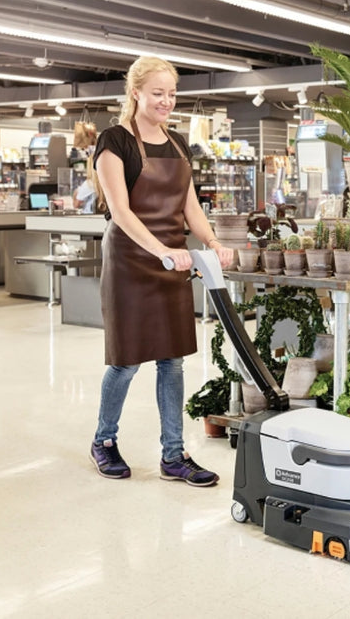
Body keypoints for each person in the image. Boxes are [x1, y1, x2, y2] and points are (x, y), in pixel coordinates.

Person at [90, 56, 232, 486]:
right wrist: (162, 251)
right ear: (136, 93)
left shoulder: (177, 143)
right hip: (132, 262)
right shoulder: (114, 141)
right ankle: (104, 441)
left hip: (173, 260)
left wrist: (211, 242)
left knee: (172, 361)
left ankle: (174, 454)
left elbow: (189, 206)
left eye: (171, 94)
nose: (166, 101)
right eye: (158, 93)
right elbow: (121, 211)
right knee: (127, 361)